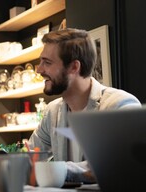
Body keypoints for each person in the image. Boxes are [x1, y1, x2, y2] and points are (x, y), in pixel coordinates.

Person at [28, 28, 141, 183]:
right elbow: (32, 156)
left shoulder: (120, 106)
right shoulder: (52, 112)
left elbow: (115, 165)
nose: (39, 70)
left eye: (47, 62)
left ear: (74, 67)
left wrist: (58, 170)